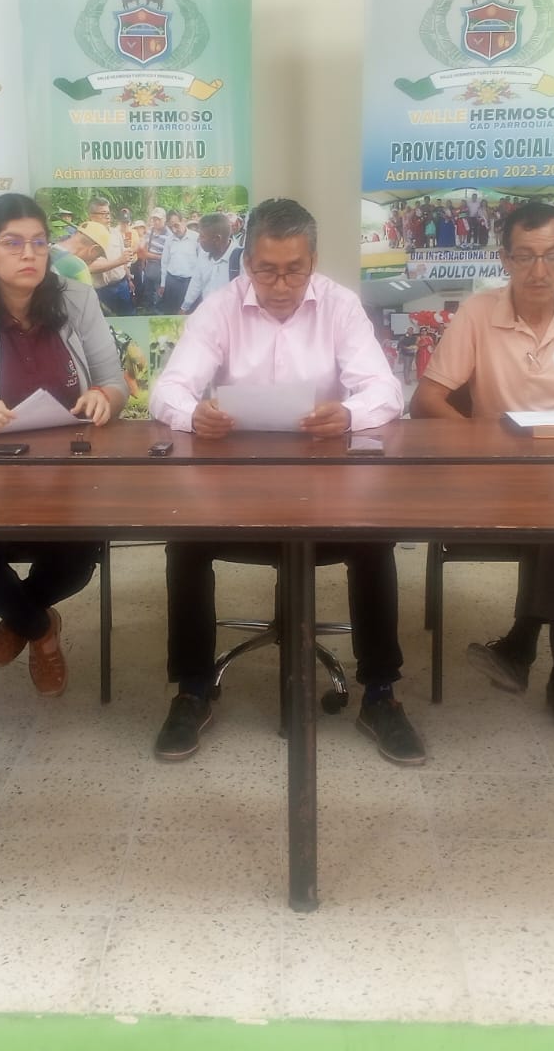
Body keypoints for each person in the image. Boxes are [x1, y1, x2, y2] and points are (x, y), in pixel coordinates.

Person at [147, 197, 425, 766]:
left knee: (373, 539)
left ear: (313, 261)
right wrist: (192, 414)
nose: (279, 285)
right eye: (266, 270)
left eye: (294, 270)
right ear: (246, 263)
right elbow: (167, 389)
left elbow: (385, 390)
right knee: (185, 539)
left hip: (325, 485)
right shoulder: (220, 308)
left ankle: (380, 694)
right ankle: (192, 690)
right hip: (237, 487)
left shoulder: (340, 306)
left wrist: (348, 414)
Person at [411, 200, 554, 735]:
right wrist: (483, 445)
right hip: (503, 473)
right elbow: (427, 400)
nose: (540, 271)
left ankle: (521, 644)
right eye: (526, 257)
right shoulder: (478, 312)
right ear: (504, 258)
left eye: (552, 256)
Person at [0, 193, 127, 696]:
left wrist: (104, 397)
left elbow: (114, 384)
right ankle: (40, 629)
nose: (30, 254)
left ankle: (20, 618)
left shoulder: (76, 298)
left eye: (39, 242)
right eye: (13, 243)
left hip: (70, 472)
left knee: (78, 558)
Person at [179, 212, 239, 313]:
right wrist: (184, 307)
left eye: (202, 236)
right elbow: (196, 282)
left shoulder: (240, 259)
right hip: (208, 314)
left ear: (217, 239)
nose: (198, 240)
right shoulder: (204, 254)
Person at [157, 210, 199, 314]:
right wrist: (163, 284)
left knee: (189, 313)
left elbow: (202, 263)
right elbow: (164, 262)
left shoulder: (196, 238)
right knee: (171, 313)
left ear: (183, 221)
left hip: (189, 283)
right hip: (172, 282)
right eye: (171, 227)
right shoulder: (169, 240)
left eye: (176, 225)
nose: (174, 230)